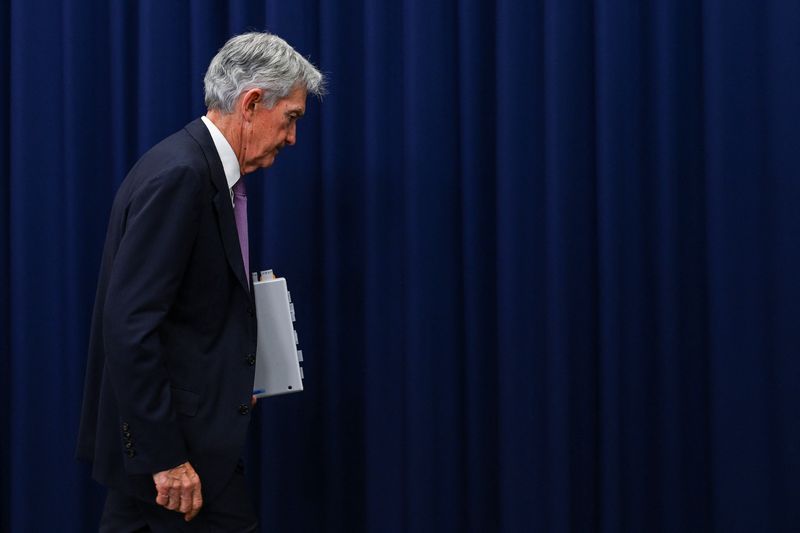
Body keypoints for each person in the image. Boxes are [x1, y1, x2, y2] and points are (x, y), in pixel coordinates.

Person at [76, 32, 324, 532]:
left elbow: (188, 313)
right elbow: (129, 326)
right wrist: (165, 458)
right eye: (291, 117)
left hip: (188, 440)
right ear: (252, 103)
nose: (293, 137)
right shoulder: (182, 176)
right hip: (177, 453)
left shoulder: (196, 168)